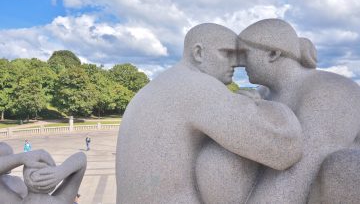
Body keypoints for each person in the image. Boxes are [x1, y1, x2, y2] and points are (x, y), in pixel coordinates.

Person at [116, 23, 303, 203]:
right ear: (198, 53)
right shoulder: (196, 86)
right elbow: (283, 148)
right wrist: (263, 105)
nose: (237, 63)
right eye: (227, 53)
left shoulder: (160, 84)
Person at [235, 18, 360, 203]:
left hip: (331, 186)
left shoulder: (330, 90)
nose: (239, 63)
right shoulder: (262, 92)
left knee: (345, 167)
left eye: (244, 53)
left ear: (273, 53)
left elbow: (298, 176)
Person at [22, 151, 87, 204]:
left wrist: (20, 158)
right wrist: (61, 171)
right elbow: (81, 157)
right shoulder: (63, 201)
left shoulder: (18, 198)